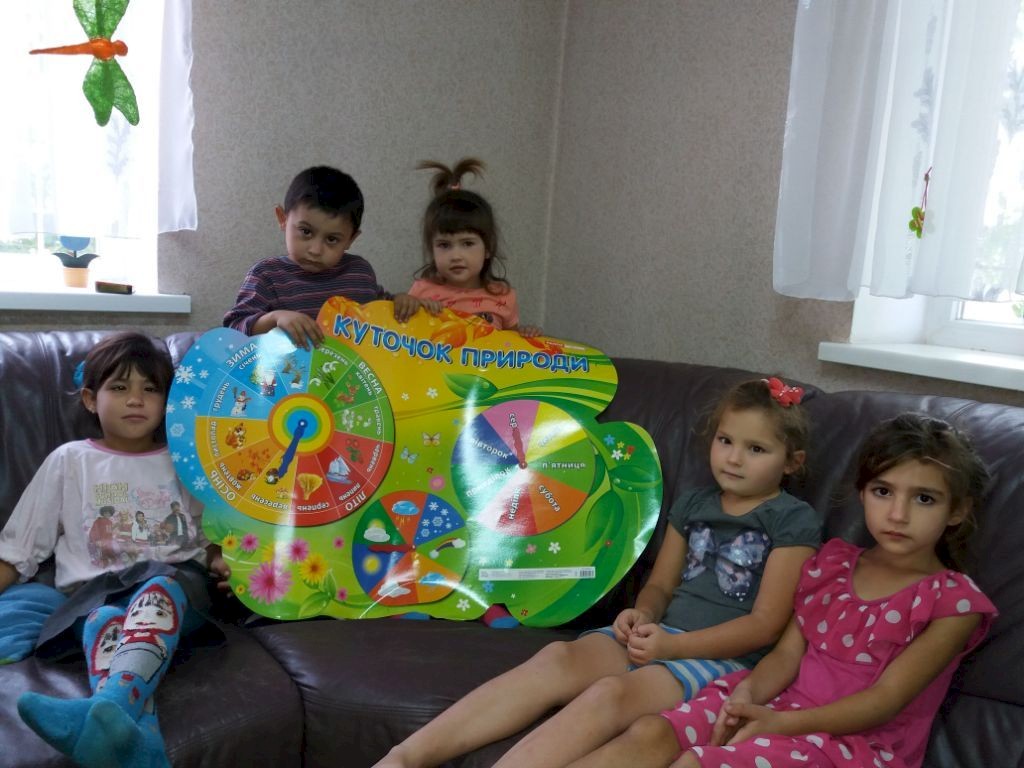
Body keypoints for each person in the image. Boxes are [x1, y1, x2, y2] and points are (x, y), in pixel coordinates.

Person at [374, 377, 823, 768]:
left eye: (756, 449)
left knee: (611, 694)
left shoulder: (792, 519)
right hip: (663, 636)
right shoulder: (694, 504)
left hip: (724, 662)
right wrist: (643, 614)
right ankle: (405, 756)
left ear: (792, 462)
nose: (734, 458)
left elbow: (765, 626)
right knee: (557, 658)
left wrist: (676, 646)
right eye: (725, 441)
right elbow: (661, 585)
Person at [582, 413, 997, 768]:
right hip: (778, 703)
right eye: (883, 492)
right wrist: (745, 697)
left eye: (924, 498)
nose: (898, 514)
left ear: (957, 510)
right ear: (862, 493)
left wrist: (781, 724)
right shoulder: (833, 564)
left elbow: (885, 700)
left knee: (699, 762)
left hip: (854, 745)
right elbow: (785, 655)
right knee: (652, 733)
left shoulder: (954, 603)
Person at [0, 331, 231, 768]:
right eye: (120, 387)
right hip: (91, 601)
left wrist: (222, 561)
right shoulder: (70, 460)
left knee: (159, 585)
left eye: (151, 389)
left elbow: (211, 539)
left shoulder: (185, 460)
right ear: (91, 399)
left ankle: (101, 710)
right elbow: (18, 549)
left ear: (167, 402)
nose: (136, 400)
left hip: (176, 589)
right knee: (103, 618)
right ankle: (135, 740)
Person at [223, 165, 425, 349]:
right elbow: (233, 329)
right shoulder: (266, 275)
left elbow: (382, 310)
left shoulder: (359, 272)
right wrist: (275, 319)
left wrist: (401, 301)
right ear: (282, 219)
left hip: (354, 375)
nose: (315, 250)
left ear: (351, 239)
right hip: (288, 375)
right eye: (306, 232)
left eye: (332, 239)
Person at [407, 158, 541, 336]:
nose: (456, 255)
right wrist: (407, 305)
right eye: (444, 245)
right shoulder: (422, 291)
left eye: (467, 243)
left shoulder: (502, 296)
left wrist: (527, 336)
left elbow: (511, 344)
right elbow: (402, 336)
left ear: (488, 248)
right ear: (432, 249)